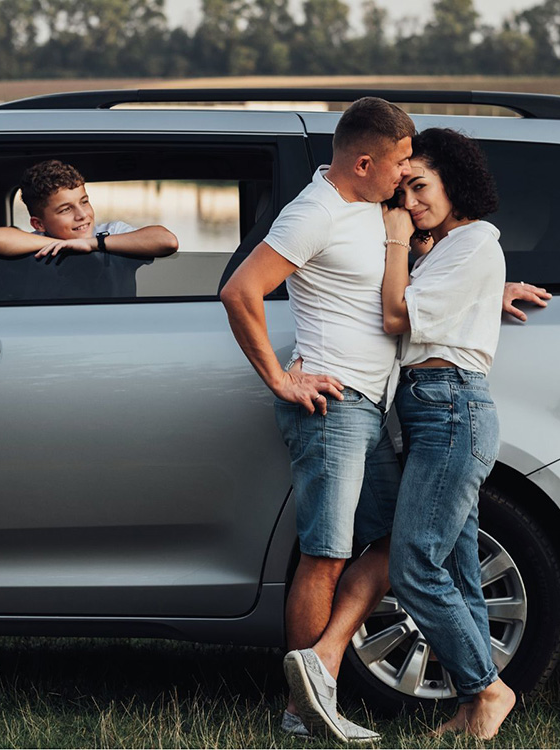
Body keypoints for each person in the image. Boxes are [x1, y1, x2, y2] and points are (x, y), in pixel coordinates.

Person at [221, 96, 415, 743]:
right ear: (363, 162)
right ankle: (303, 713)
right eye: (399, 163)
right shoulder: (315, 212)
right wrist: (280, 378)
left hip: (368, 407)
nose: (404, 175)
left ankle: (323, 659)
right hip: (331, 410)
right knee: (325, 556)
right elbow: (241, 290)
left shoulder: (366, 207)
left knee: (397, 540)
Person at [379, 127, 533, 740]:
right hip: (431, 409)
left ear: (455, 183)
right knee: (462, 568)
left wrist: (395, 241)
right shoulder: (448, 248)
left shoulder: (472, 244)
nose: (410, 203)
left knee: (413, 561)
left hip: (450, 410)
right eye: (402, 192)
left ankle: (489, 689)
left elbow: (396, 316)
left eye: (420, 188)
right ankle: (474, 706)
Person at [0, 159, 177, 298]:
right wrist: (65, 244)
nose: (82, 214)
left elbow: (167, 241)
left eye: (84, 202)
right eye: (66, 209)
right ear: (39, 224)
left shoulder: (111, 232)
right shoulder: (36, 241)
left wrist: (92, 244)